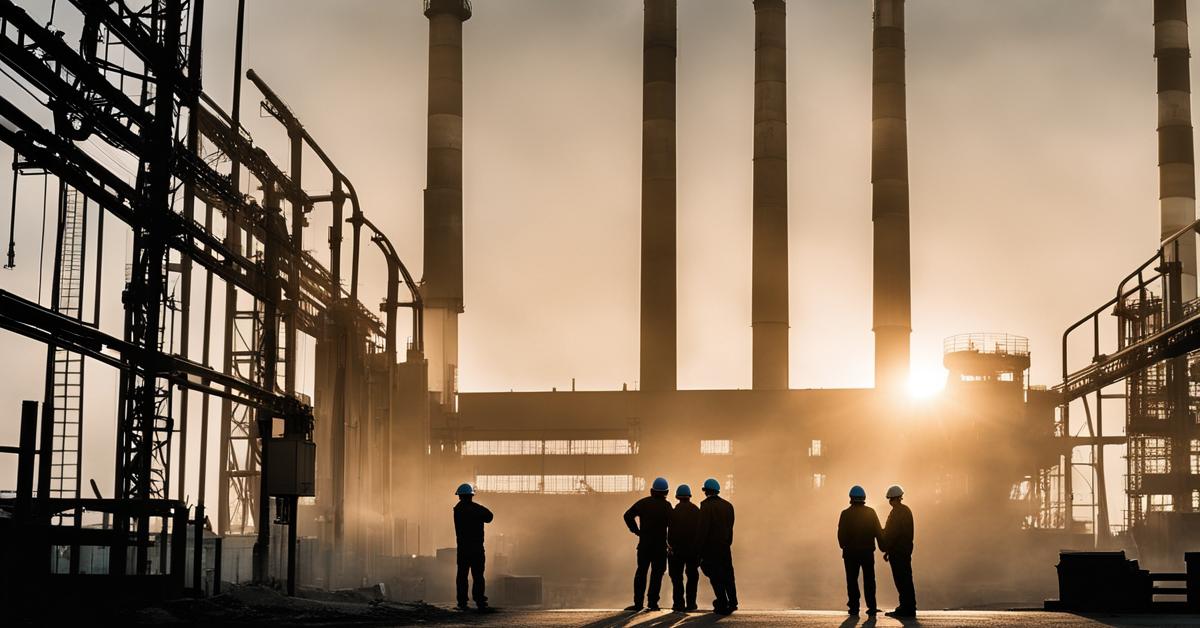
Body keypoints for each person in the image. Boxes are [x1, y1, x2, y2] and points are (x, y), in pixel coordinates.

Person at [623, 476, 673, 611]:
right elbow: (673, 525)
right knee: (657, 574)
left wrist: (636, 531)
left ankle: (638, 604)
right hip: (660, 547)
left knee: (641, 572)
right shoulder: (667, 507)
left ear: (652, 491)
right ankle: (653, 603)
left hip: (645, 545)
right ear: (666, 493)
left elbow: (627, 515)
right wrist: (670, 543)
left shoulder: (643, 503)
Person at [837, 485, 883, 616]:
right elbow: (878, 532)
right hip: (867, 552)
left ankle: (854, 607)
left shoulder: (845, 514)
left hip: (850, 553)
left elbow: (841, 534)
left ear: (851, 498)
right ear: (864, 498)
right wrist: (884, 547)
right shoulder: (871, 512)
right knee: (869, 579)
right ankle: (872, 606)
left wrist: (843, 545)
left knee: (852, 580)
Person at [695, 477, 737, 615]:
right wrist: (727, 543)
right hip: (725, 546)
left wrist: (699, 550)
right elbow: (730, 528)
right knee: (728, 575)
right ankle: (733, 601)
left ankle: (722, 602)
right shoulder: (728, 506)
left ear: (706, 491)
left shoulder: (706, 506)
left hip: (710, 549)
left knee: (715, 576)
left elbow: (702, 529)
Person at [453, 483, 494, 611]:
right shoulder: (476, 509)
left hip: (463, 549)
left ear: (459, 496)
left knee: (462, 576)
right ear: (471, 495)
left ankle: (462, 602)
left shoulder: (457, 510)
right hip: (477, 549)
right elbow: (489, 517)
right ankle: (480, 600)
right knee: (478, 576)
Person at [882, 484, 917, 618]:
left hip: (898, 552)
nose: (889, 502)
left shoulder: (897, 513)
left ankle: (906, 609)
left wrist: (885, 547)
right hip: (902, 551)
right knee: (905, 579)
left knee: (902, 580)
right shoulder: (905, 510)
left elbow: (892, 533)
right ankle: (908, 606)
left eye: (890, 499)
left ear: (895, 499)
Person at [667, 483, 701, 612]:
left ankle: (678, 604)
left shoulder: (674, 512)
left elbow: (670, 532)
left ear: (677, 497)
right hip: (692, 551)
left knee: (676, 578)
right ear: (689, 496)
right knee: (692, 577)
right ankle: (691, 604)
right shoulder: (696, 511)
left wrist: (670, 547)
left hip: (676, 550)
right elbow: (700, 531)